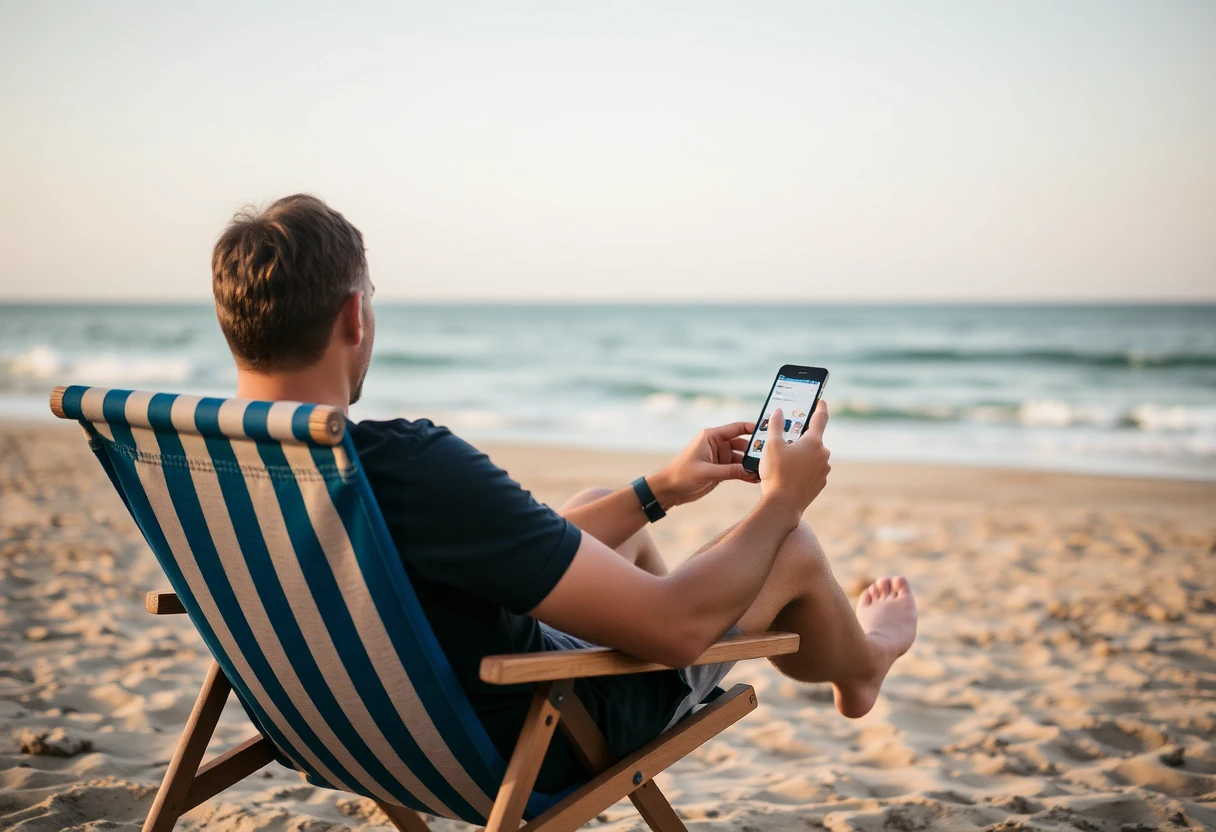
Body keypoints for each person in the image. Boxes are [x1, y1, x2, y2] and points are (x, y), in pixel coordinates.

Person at [211, 194, 917, 792]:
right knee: (788, 546)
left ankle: (783, 635)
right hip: (527, 737)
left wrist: (661, 490)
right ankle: (866, 663)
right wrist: (782, 501)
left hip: (338, 728)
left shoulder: (210, 464)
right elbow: (673, 631)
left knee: (607, 500)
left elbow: (492, 544)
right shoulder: (406, 466)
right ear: (353, 318)